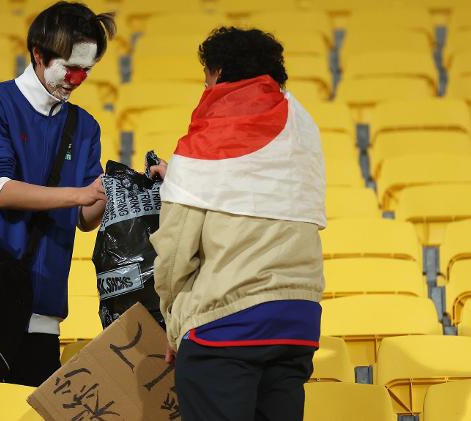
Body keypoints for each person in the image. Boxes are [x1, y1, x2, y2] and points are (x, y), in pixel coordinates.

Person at [149, 27, 326, 421]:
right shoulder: (302, 127)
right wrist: (179, 178)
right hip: (297, 322)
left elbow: (175, 252)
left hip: (226, 326)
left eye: (207, 78)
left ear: (220, 73)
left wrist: (175, 323)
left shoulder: (211, 133)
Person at [0, 2, 115, 387]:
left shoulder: (85, 126)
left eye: (86, 71)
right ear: (38, 55)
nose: (75, 79)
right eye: (68, 67)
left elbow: (85, 219)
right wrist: (78, 194)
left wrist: (107, 194)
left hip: (42, 305)